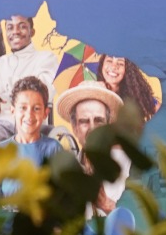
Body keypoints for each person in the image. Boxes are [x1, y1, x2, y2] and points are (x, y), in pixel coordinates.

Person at [54, 83, 133, 229]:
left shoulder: (125, 161)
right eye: (84, 121)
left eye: (98, 120)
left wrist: (108, 206)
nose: (92, 128)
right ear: (75, 128)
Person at [0, 13, 60, 117]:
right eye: (10, 28)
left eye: (22, 27)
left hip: (28, 122)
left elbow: (45, 90)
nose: (15, 32)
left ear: (32, 32)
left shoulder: (46, 58)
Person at [92, 54, 159, 121]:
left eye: (120, 63)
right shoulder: (92, 92)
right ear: (102, 64)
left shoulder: (137, 95)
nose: (114, 66)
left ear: (127, 69)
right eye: (109, 61)